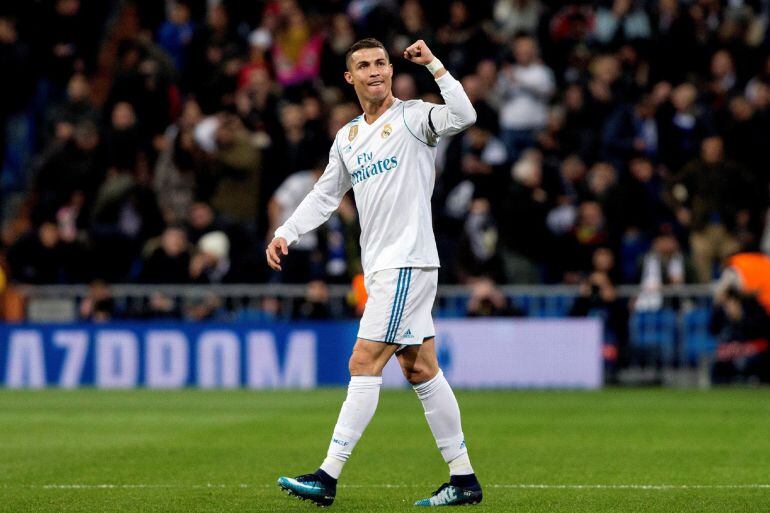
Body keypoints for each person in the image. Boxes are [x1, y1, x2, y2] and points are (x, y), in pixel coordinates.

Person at [266, 38, 481, 507]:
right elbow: (325, 195)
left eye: (381, 62)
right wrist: (287, 231)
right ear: (350, 78)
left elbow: (464, 116)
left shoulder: (414, 116)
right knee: (420, 368)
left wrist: (435, 66)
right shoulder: (347, 137)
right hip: (384, 266)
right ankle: (464, 480)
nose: (375, 71)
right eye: (364, 65)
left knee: (363, 361)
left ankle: (327, 475)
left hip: (406, 260)